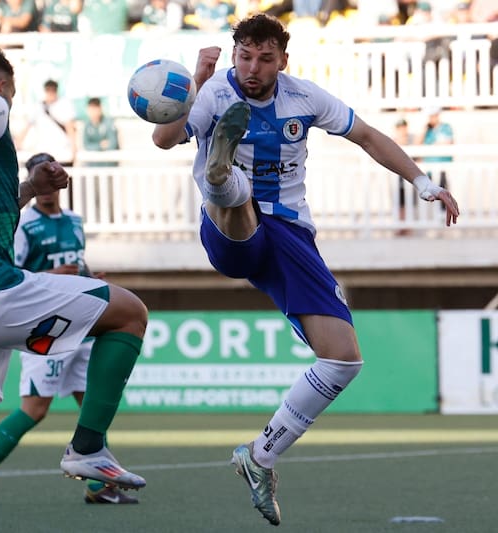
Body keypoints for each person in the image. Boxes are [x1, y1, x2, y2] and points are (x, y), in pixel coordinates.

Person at [151, 13, 459, 526]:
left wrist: (423, 182)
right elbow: (163, 140)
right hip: (229, 231)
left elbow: (367, 136)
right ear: (233, 56)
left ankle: (261, 456)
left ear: (282, 61)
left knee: (343, 359)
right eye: (245, 57)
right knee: (235, 193)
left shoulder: (303, 97)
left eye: (265, 59)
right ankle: (222, 173)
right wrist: (196, 85)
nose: (253, 68)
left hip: (292, 237)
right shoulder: (210, 94)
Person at [0, 47, 148, 533]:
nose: (6, 107)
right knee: (129, 313)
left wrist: (29, 189)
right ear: (1, 90)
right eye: (9, 99)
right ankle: (88, 448)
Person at [0, 152, 138, 506]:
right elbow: (10, 276)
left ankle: (96, 485)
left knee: (91, 406)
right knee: (35, 409)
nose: (45, 186)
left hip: (81, 323)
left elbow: (76, 265)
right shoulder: (24, 224)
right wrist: (57, 277)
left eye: (50, 174)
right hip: (46, 325)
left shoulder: (74, 221)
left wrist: (87, 278)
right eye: (35, 176)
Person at [16, 79, 77, 166]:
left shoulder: (64, 105)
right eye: (48, 90)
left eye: (53, 90)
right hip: (43, 153)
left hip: (62, 153)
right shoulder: (38, 107)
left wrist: (74, 150)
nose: (50, 93)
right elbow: (27, 126)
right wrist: (18, 143)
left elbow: (70, 129)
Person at [82, 97, 119, 167]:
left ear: (100, 108)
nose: (93, 112)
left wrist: (94, 146)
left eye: (95, 109)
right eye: (91, 109)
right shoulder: (87, 125)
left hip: (109, 166)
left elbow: (112, 144)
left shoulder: (109, 123)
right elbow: (86, 145)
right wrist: (100, 145)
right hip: (92, 166)